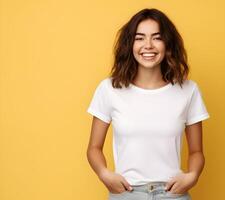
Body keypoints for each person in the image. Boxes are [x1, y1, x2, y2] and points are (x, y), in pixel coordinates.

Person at [86, 8, 210, 200]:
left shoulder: (188, 90)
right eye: (140, 38)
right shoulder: (109, 89)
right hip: (126, 193)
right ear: (130, 44)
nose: (148, 45)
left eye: (157, 37)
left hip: (172, 194)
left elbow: (196, 151)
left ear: (168, 44)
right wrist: (104, 174)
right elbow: (94, 148)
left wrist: (192, 176)